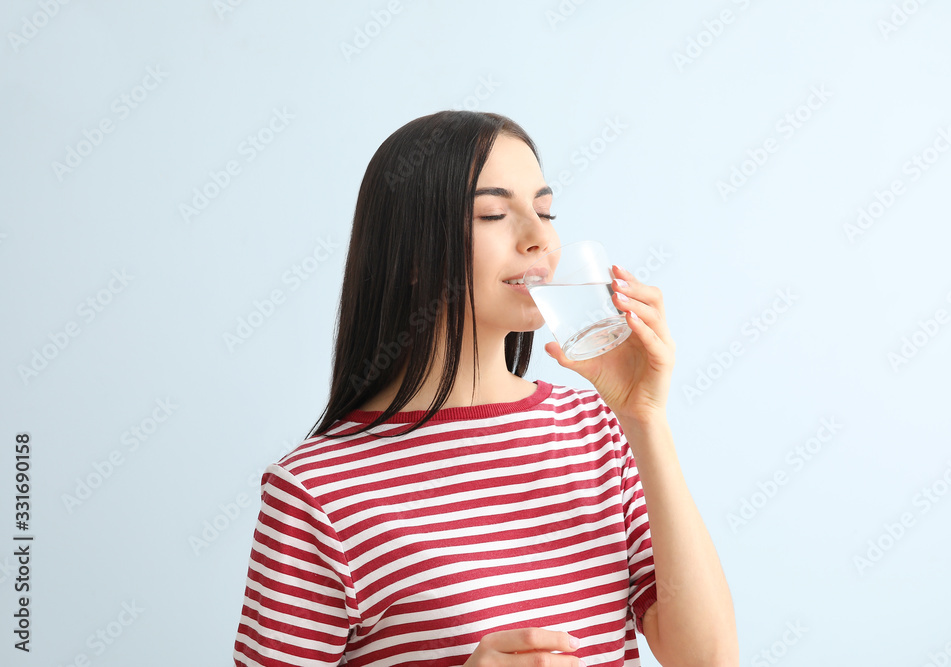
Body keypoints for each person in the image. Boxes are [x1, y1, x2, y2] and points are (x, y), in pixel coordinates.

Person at [232, 110, 738, 666]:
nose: (539, 236)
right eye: (494, 213)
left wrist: (645, 419)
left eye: (544, 211)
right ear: (410, 254)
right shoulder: (314, 491)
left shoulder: (594, 431)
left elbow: (708, 661)